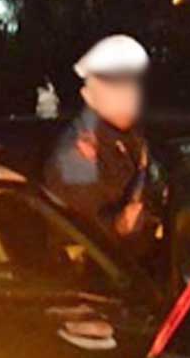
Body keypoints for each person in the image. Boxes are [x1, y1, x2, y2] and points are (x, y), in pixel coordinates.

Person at [44, 34, 157, 251]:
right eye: (116, 87)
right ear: (89, 96)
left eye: (131, 85)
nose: (128, 95)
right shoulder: (79, 151)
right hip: (92, 275)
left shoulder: (131, 139)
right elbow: (80, 232)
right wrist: (119, 226)